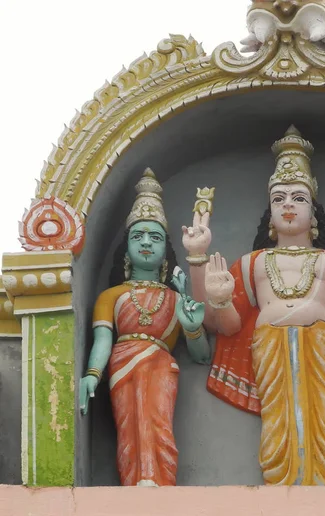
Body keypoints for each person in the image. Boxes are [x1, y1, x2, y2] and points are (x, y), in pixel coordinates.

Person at [182, 126, 325, 485]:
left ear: (314, 214)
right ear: (269, 213)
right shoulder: (252, 263)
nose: (287, 205)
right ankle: (281, 495)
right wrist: (199, 264)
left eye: (298, 198)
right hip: (269, 347)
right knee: (277, 424)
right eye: (279, 198)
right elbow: (226, 325)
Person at [79, 169, 210, 486]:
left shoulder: (175, 297)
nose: (147, 243)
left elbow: (202, 355)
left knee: (158, 423)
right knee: (130, 426)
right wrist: (91, 375)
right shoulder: (111, 296)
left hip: (161, 365)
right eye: (138, 237)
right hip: (122, 365)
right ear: (126, 249)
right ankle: (135, 483)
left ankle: (159, 482)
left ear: (166, 247)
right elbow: (101, 341)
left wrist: (192, 328)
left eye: (154, 237)